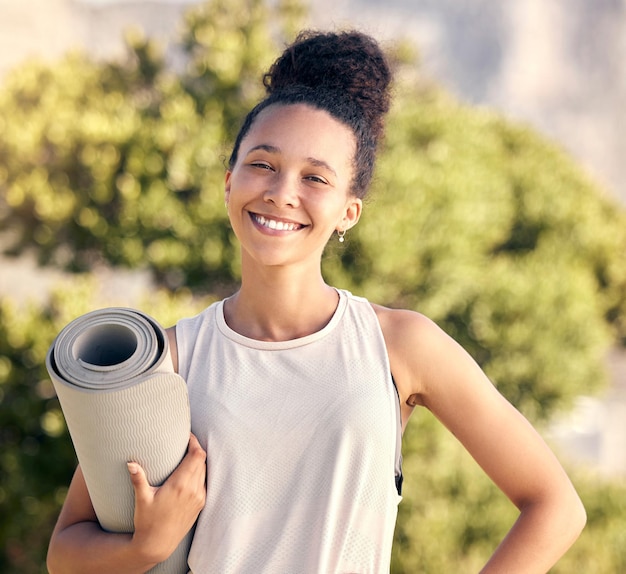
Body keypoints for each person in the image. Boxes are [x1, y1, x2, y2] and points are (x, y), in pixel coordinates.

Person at [47, 29, 586, 574]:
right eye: (262, 164)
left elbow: (554, 507)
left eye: (315, 177)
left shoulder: (399, 345)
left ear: (349, 211)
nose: (282, 192)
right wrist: (145, 547)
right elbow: (65, 550)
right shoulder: (170, 359)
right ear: (228, 182)